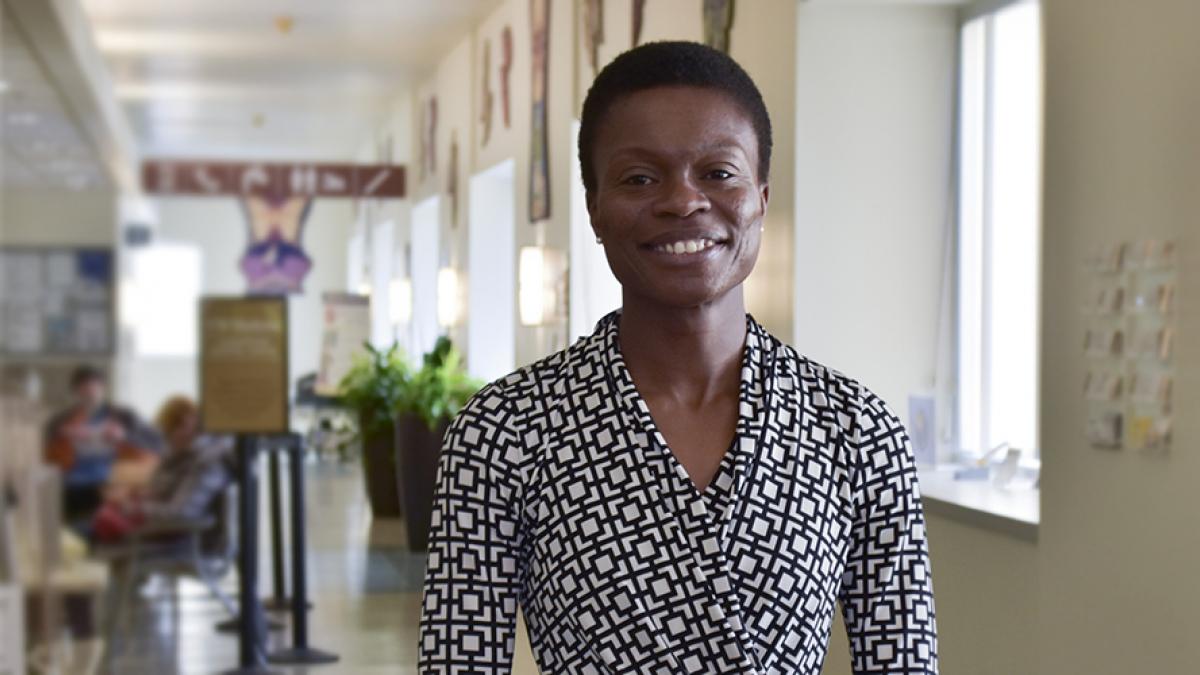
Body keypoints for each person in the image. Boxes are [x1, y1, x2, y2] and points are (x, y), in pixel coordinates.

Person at [418, 41, 938, 673]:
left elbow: (902, 663)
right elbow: (456, 661)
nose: (681, 201)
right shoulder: (505, 430)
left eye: (718, 173)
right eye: (640, 178)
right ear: (595, 210)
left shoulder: (856, 430)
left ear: (762, 198)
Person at [92, 396, 233, 543]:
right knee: (93, 520)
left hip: (171, 533)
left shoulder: (205, 463)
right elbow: (162, 488)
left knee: (89, 530)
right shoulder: (180, 456)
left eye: (170, 432)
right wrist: (135, 495)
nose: (168, 439)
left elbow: (181, 512)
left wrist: (134, 508)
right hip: (158, 523)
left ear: (188, 424)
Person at [43, 365, 164, 526]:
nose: (90, 394)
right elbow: (43, 447)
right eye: (83, 390)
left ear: (103, 388)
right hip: (71, 483)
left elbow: (157, 443)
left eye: (94, 388)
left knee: (100, 505)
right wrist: (63, 435)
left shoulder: (124, 416)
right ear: (75, 392)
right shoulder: (62, 420)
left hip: (115, 481)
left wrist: (123, 436)